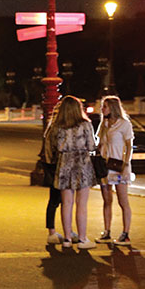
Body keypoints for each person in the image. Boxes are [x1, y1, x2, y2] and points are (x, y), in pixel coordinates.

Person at [52, 96, 98, 249]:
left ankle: (67, 239)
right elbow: (92, 146)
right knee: (81, 204)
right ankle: (83, 239)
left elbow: (56, 146)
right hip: (81, 164)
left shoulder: (57, 126)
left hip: (65, 164)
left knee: (66, 203)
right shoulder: (85, 125)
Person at [97, 95, 133, 246]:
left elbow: (129, 146)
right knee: (107, 200)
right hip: (105, 167)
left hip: (118, 166)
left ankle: (125, 233)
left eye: (104, 106)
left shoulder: (124, 124)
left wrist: (125, 164)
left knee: (122, 200)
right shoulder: (104, 124)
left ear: (113, 108)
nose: (102, 109)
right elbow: (99, 144)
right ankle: (106, 231)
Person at [41, 99, 64, 245]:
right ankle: (52, 231)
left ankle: (55, 230)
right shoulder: (56, 129)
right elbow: (50, 151)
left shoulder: (52, 127)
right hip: (57, 167)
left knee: (59, 201)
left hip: (55, 167)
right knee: (56, 201)